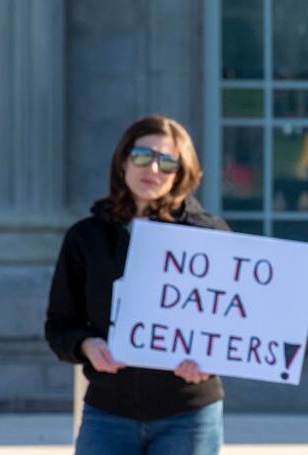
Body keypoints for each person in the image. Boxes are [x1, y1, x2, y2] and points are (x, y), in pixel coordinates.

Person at [45, 115, 228, 455]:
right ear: (123, 161)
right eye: (143, 156)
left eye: (168, 161)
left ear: (181, 172)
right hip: (108, 413)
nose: (153, 169)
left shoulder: (210, 237)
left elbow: (233, 326)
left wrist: (208, 360)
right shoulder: (86, 238)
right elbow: (59, 325)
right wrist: (87, 345)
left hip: (188, 415)